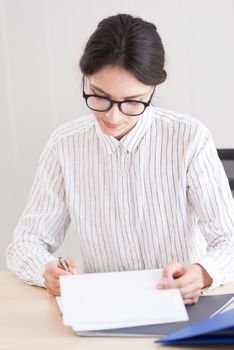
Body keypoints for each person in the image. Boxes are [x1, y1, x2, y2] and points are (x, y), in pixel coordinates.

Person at [6, 13, 234, 304]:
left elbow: (229, 241)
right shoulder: (64, 146)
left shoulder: (190, 140)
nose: (113, 117)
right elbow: (26, 242)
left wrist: (202, 273)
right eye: (99, 96)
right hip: (106, 308)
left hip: (181, 306)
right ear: (85, 78)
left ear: (153, 89)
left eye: (132, 102)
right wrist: (46, 271)